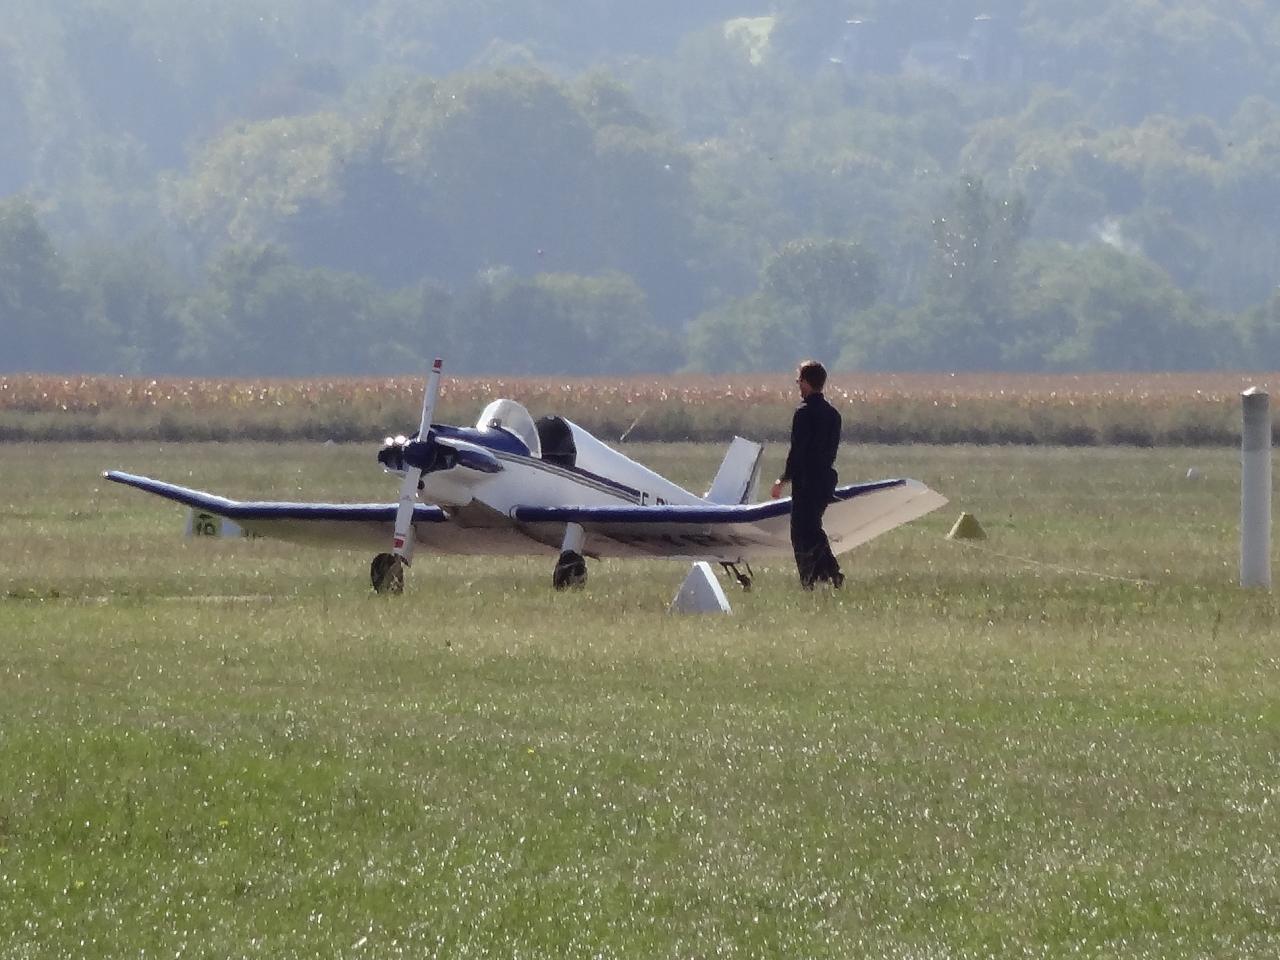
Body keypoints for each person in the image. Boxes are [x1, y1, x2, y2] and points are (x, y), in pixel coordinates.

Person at [770, 360, 844, 589]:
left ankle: (812, 578)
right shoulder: (834, 414)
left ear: (806, 383)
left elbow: (798, 450)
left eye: (799, 381)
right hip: (825, 479)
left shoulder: (803, 413)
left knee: (801, 532)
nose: (798, 385)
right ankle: (826, 575)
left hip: (807, 482)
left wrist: (783, 479)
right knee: (813, 527)